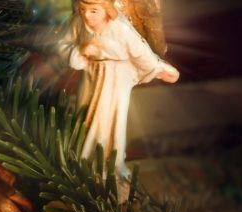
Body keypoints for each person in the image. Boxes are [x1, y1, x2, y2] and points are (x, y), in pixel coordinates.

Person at [60, 0, 179, 180]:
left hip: (116, 79)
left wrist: (159, 69)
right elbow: (62, 46)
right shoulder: (78, 23)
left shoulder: (120, 27)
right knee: (84, 115)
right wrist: (80, 51)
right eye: (83, 9)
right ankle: (81, 163)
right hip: (90, 75)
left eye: (93, 10)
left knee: (111, 123)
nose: (86, 15)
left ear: (106, 8)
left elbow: (140, 52)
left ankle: (110, 168)